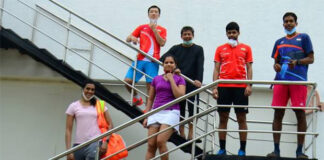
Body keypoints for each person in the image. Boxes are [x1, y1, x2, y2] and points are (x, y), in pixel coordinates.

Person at [267, 12, 314, 158]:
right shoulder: (279, 42)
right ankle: (276, 150)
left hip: (298, 80)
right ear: (283, 24)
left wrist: (298, 62)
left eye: (291, 21)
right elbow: (276, 62)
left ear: (296, 23)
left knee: (299, 113)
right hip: (281, 81)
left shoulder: (304, 38)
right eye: (286, 21)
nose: (288, 23)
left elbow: (311, 59)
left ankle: (300, 151)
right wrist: (276, 66)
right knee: (277, 113)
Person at [212, 22, 253, 156]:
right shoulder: (220, 49)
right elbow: (216, 68)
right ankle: (222, 148)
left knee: (241, 118)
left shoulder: (246, 48)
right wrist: (215, 87)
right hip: (223, 86)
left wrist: (249, 85)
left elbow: (249, 68)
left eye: (234, 32)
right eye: (229, 33)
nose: (231, 35)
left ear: (238, 33)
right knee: (223, 118)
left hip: (241, 87)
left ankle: (243, 149)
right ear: (226, 34)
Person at [161, 26, 204, 141]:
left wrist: (199, 80)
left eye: (189, 34)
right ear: (181, 36)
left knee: (192, 109)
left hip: (193, 83)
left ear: (193, 35)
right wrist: (175, 68)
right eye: (185, 34)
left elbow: (200, 66)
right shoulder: (176, 49)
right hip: (179, 83)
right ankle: (182, 131)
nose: (187, 36)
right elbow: (163, 58)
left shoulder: (198, 49)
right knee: (180, 107)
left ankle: (191, 132)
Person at [142, 54, 186, 160]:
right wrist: (146, 116)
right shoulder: (156, 79)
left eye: (171, 62)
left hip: (171, 112)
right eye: (166, 62)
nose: (169, 64)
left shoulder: (180, 79)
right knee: (151, 144)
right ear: (163, 65)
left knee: (160, 141)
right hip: (156, 111)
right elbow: (151, 98)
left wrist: (171, 79)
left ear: (175, 65)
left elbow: (180, 96)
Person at [124, 5, 167, 106]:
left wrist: (155, 30)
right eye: (151, 11)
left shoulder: (162, 29)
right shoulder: (142, 27)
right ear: (148, 14)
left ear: (159, 15)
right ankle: (136, 98)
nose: (153, 13)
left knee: (150, 88)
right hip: (140, 59)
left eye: (156, 12)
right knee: (127, 81)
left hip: (152, 61)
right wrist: (132, 38)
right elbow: (128, 38)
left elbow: (162, 43)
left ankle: (147, 111)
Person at [65, 81, 113, 160]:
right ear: (83, 89)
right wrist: (68, 151)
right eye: (88, 89)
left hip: (95, 142)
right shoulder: (73, 106)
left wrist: (106, 142)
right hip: (78, 145)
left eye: (92, 90)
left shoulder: (100, 105)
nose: (90, 91)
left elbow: (110, 125)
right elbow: (68, 130)